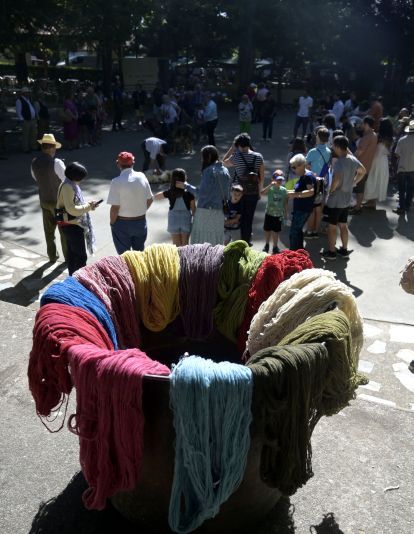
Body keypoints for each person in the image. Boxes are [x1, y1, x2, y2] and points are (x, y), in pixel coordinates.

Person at [321, 136, 365, 260]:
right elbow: (363, 171)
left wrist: (331, 190)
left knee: (331, 226)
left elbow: (337, 178)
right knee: (343, 225)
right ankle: (344, 250)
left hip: (336, 200)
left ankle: (331, 252)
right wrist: (353, 182)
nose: (333, 147)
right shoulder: (353, 159)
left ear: (337, 146)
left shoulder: (340, 162)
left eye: (334, 145)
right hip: (346, 199)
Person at [179, 145, 231, 245]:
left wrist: (186, 185)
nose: (201, 159)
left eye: (203, 157)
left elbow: (200, 193)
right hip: (219, 212)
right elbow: (227, 195)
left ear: (209, 156)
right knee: (216, 243)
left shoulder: (209, 171)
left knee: (201, 244)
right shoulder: (225, 171)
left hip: (206, 212)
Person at [56, 162, 99, 275]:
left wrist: (89, 205)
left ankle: (72, 277)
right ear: (76, 176)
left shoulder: (68, 183)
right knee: (80, 256)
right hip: (72, 225)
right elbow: (72, 209)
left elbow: (76, 202)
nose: (81, 180)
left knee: (72, 254)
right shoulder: (68, 187)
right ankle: (79, 280)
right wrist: (89, 206)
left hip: (70, 224)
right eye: (81, 178)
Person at [107, 151, 153, 253]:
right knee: (139, 255)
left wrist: (112, 223)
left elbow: (114, 208)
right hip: (140, 222)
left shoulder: (116, 182)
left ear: (118, 164)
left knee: (124, 258)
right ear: (133, 163)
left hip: (122, 223)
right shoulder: (142, 176)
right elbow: (150, 199)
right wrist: (140, 210)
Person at [31, 133, 67, 263]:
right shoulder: (57, 163)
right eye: (54, 147)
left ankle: (52, 256)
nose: (55, 150)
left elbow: (36, 178)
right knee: (64, 231)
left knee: (48, 231)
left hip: (44, 200)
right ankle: (68, 258)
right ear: (51, 148)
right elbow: (66, 181)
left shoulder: (34, 162)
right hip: (58, 202)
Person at [223, 133, 265, 245]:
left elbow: (224, 162)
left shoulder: (236, 156)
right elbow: (261, 177)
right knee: (248, 218)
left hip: (238, 193)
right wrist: (259, 192)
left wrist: (232, 148)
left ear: (238, 145)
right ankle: (246, 241)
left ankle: (237, 240)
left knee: (238, 216)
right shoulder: (258, 156)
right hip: (253, 192)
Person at [153, 168, 195, 246]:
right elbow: (194, 211)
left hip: (173, 220)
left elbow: (156, 197)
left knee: (176, 247)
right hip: (185, 219)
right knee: (185, 246)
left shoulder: (170, 192)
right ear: (184, 178)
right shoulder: (189, 193)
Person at [285, 153, 316, 250]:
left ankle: (293, 254)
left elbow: (311, 192)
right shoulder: (304, 175)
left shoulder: (307, 176)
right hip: (301, 208)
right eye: (291, 168)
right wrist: (285, 192)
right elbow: (299, 190)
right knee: (298, 231)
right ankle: (299, 253)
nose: (293, 170)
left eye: (294, 167)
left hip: (303, 209)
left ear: (302, 165)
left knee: (294, 233)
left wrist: (295, 195)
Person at [305, 127, 331, 238]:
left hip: (312, 182)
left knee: (310, 208)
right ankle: (316, 231)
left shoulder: (313, 151)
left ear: (318, 137)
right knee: (319, 207)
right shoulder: (329, 151)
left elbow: (306, 165)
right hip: (323, 182)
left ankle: (309, 231)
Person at [364, 118, 394, 209]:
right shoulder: (390, 139)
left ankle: (371, 201)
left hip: (376, 160)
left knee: (372, 180)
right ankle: (372, 201)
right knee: (378, 181)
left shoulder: (378, 137)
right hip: (384, 161)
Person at [350, 115, 378, 214]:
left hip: (361, 166)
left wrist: (350, 158)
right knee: (359, 188)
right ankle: (357, 206)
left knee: (359, 189)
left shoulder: (367, 136)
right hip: (367, 165)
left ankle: (358, 208)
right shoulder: (374, 135)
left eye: (362, 123)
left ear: (366, 124)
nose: (361, 125)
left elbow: (359, 151)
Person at [261, 172, 288, 254]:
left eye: (281, 180)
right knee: (267, 230)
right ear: (273, 179)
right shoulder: (270, 189)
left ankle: (275, 246)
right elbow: (262, 193)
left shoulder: (284, 190)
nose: (279, 181)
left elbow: (285, 202)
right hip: (269, 213)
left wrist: (286, 214)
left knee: (276, 231)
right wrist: (270, 185)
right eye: (277, 179)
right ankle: (267, 244)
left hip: (278, 215)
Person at [393, 119, 414, 215]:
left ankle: (401, 208)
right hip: (413, 168)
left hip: (402, 167)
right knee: (410, 188)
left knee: (401, 190)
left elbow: (397, 154)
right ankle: (408, 205)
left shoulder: (402, 140)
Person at [16, 87, 37, 153]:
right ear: (24, 93)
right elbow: (18, 111)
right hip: (26, 120)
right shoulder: (19, 100)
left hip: (32, 119)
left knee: (33, 134)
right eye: (27, 92)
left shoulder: (28, 99)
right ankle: (25, 148)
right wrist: (21, 119)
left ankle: (33, 146)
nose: (28, 93)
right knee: (26, 135)